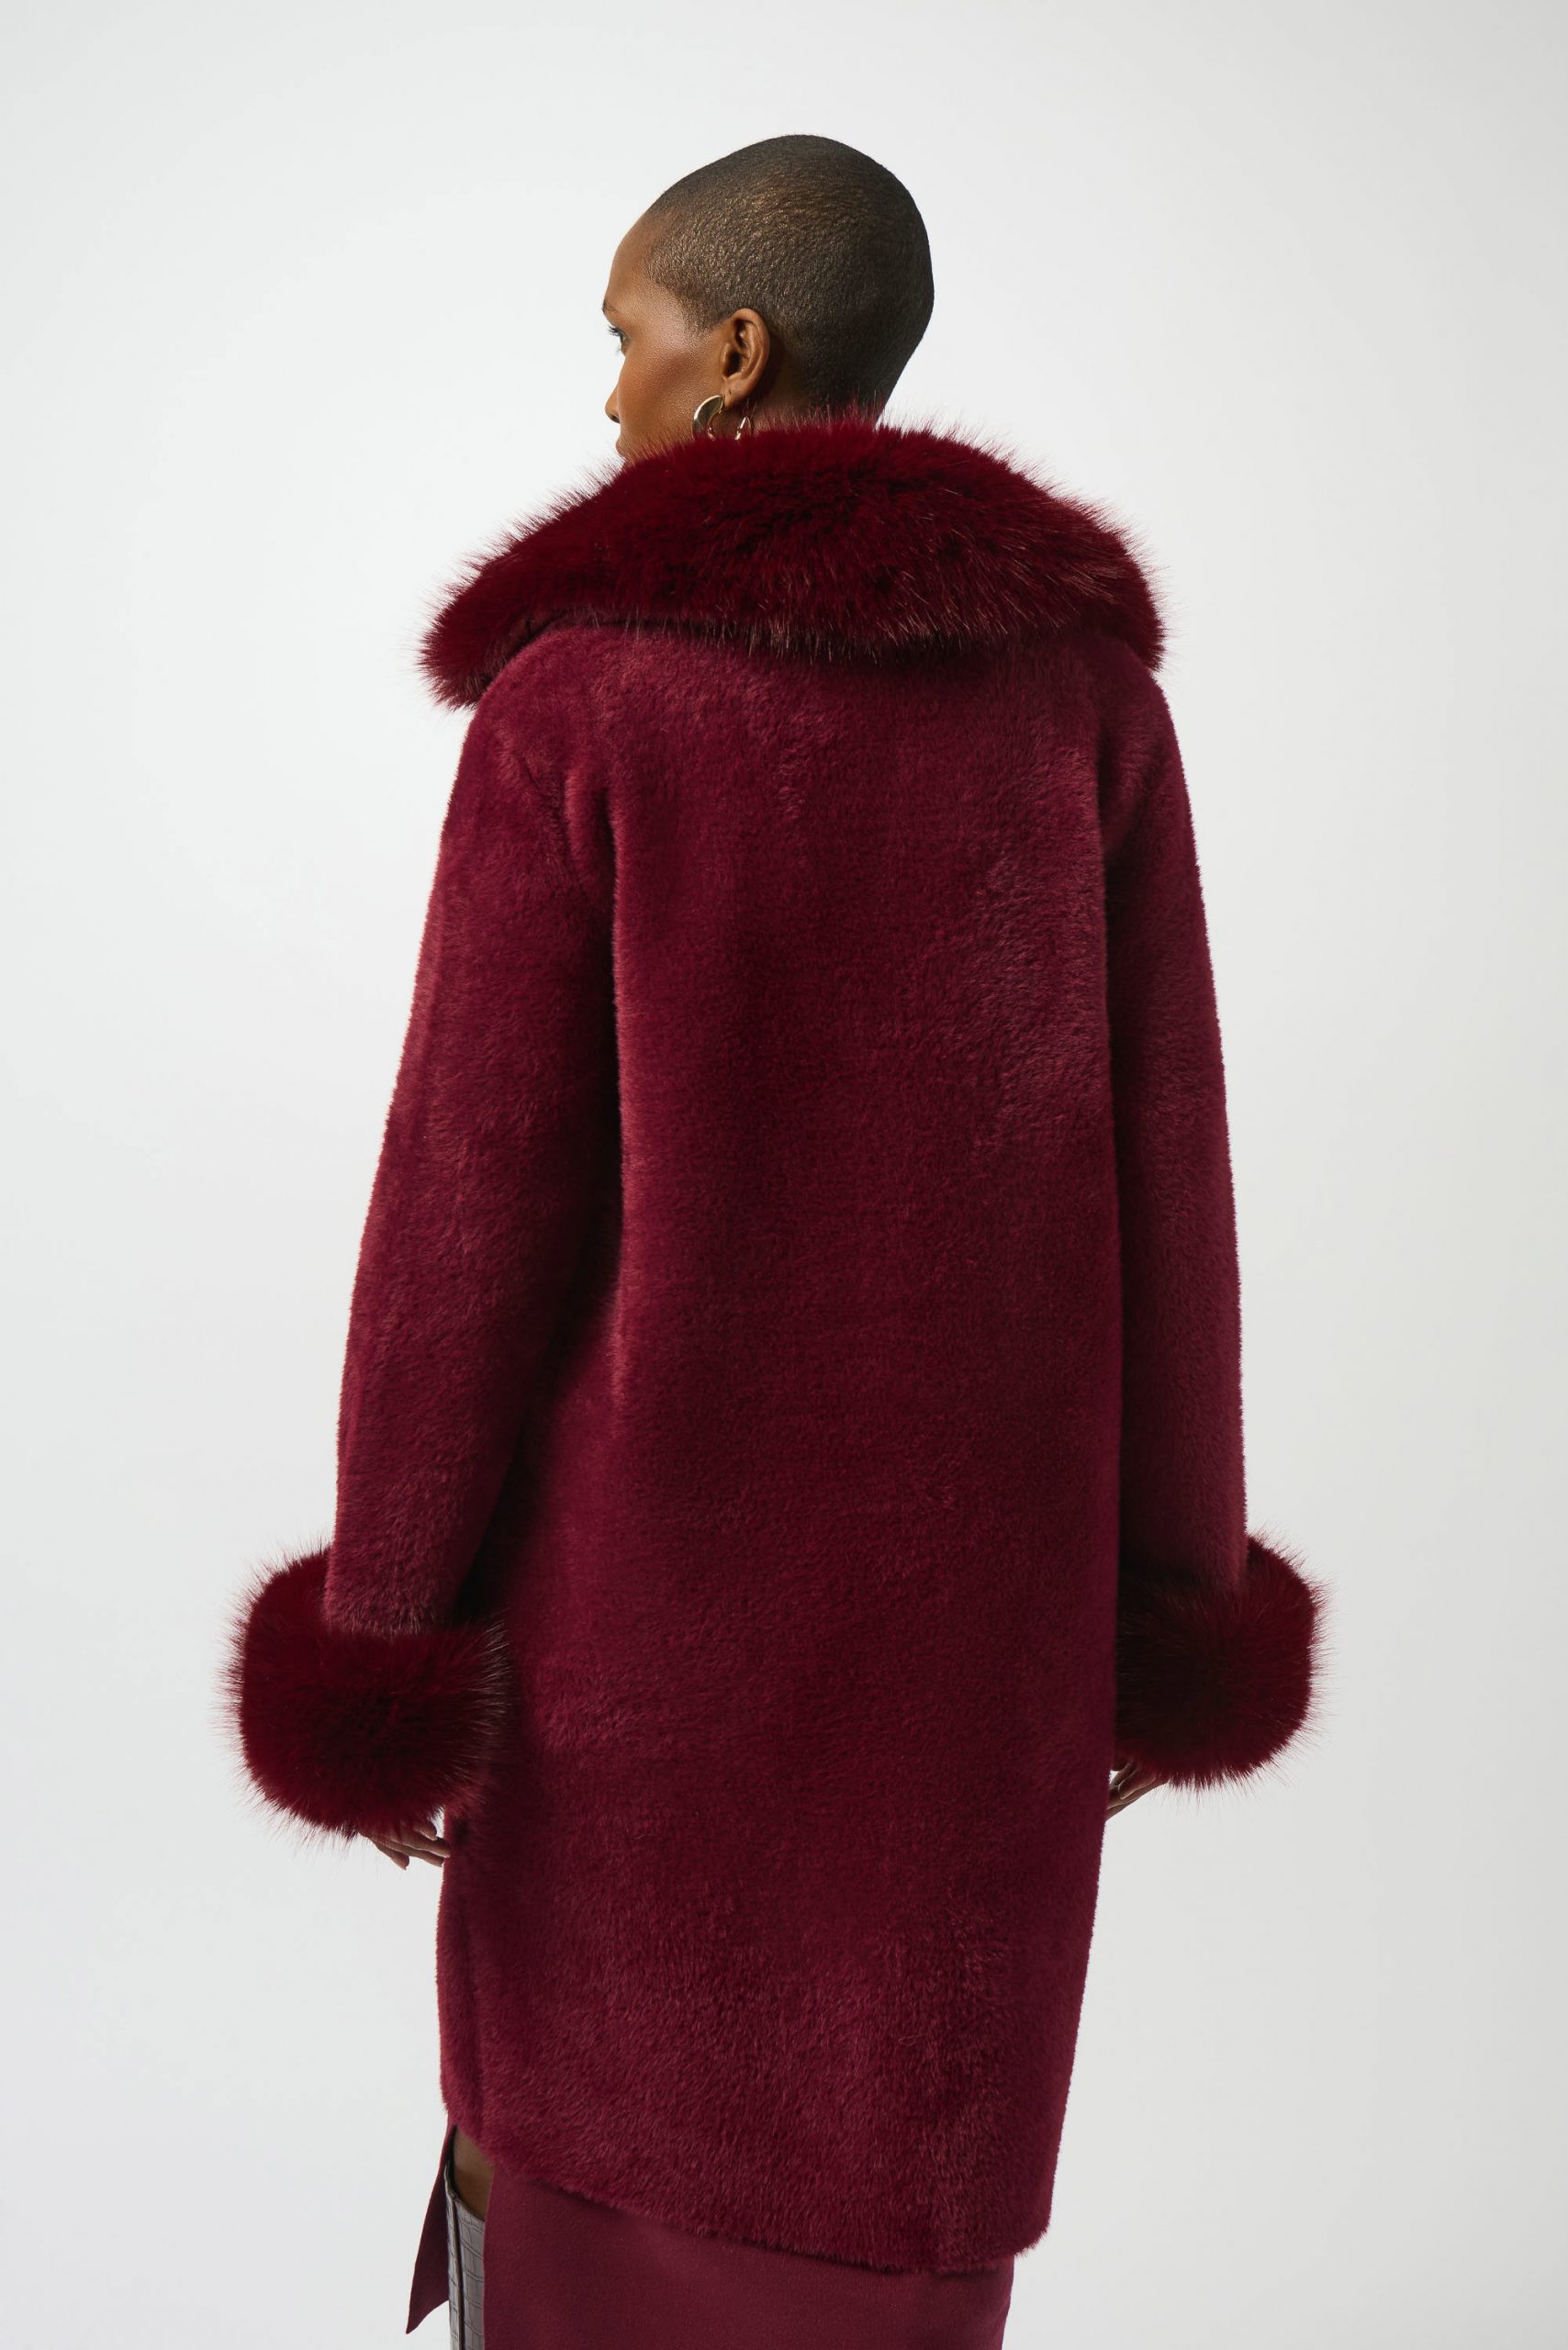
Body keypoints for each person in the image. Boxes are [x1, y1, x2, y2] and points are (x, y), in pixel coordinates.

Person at [222, 132, 1320, 2348]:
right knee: (897, 2186)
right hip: (975, 1657)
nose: (603, 391)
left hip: (631, 1652)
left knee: (597, 2173)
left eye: (622, 337)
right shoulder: (1081, 705)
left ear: (730, 352)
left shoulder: (581, 701)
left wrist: (388, 1637)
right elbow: (1173, 1182)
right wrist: (1170, 1600)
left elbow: (461, 1219)